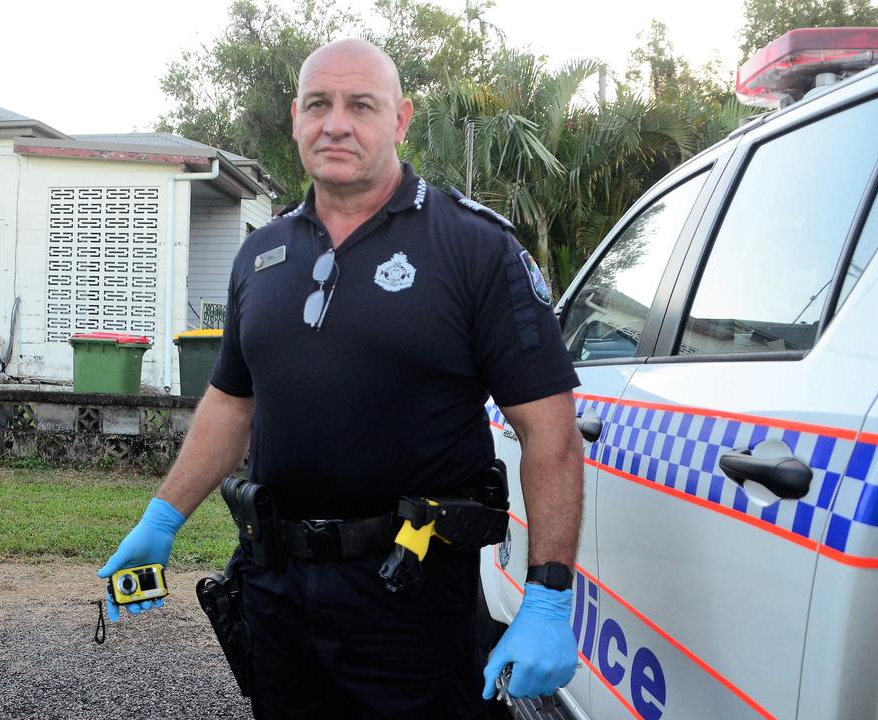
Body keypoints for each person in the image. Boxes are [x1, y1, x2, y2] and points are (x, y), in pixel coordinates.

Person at [97, 38, 584, 719]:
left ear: (400, 120)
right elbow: (231, 403)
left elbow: (551, 431)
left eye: (362, 105)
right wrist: (162, 517)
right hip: (275, 589)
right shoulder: (261, 254)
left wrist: (549, 595)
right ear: (296, 117)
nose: (337, 123)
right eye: (320, 104)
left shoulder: (474, 248)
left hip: (411, 594)